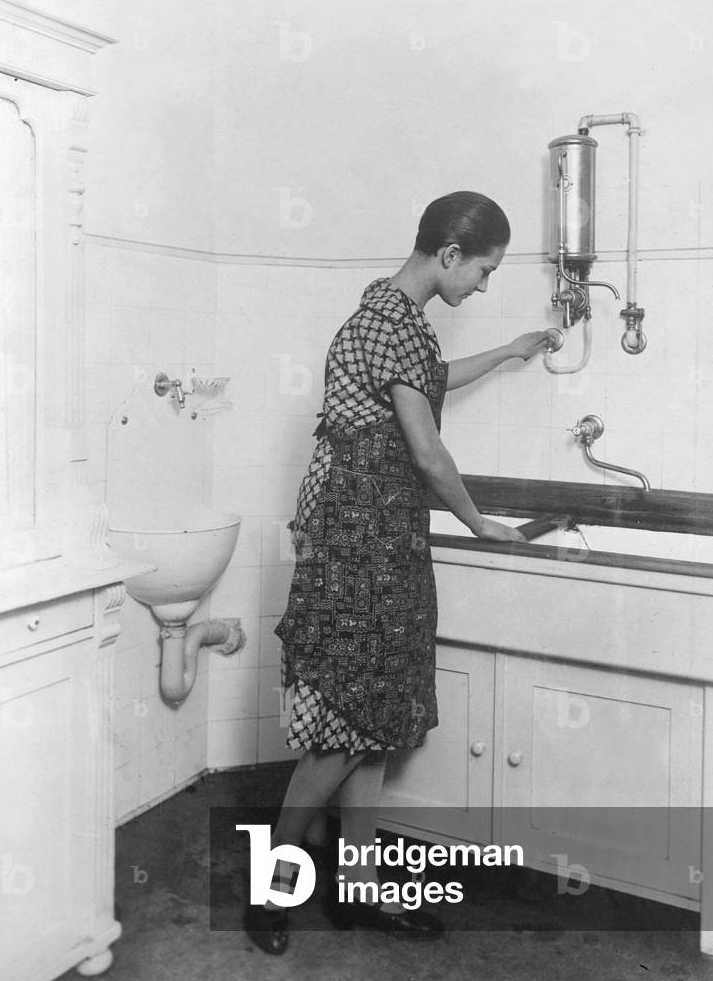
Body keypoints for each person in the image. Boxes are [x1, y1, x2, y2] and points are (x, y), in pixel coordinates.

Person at [244, 191, 551, 953]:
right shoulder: (393, 325)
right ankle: (270, 892)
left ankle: (358, 890)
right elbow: (427, 451)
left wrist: (508, 351)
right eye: (483, 270)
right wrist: (478, 520)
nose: (482, 284)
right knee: (340, 733)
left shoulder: (387, 317)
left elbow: (431, 377)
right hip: (359, 546)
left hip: (378, 538)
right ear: (449, 253)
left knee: (371, 724)